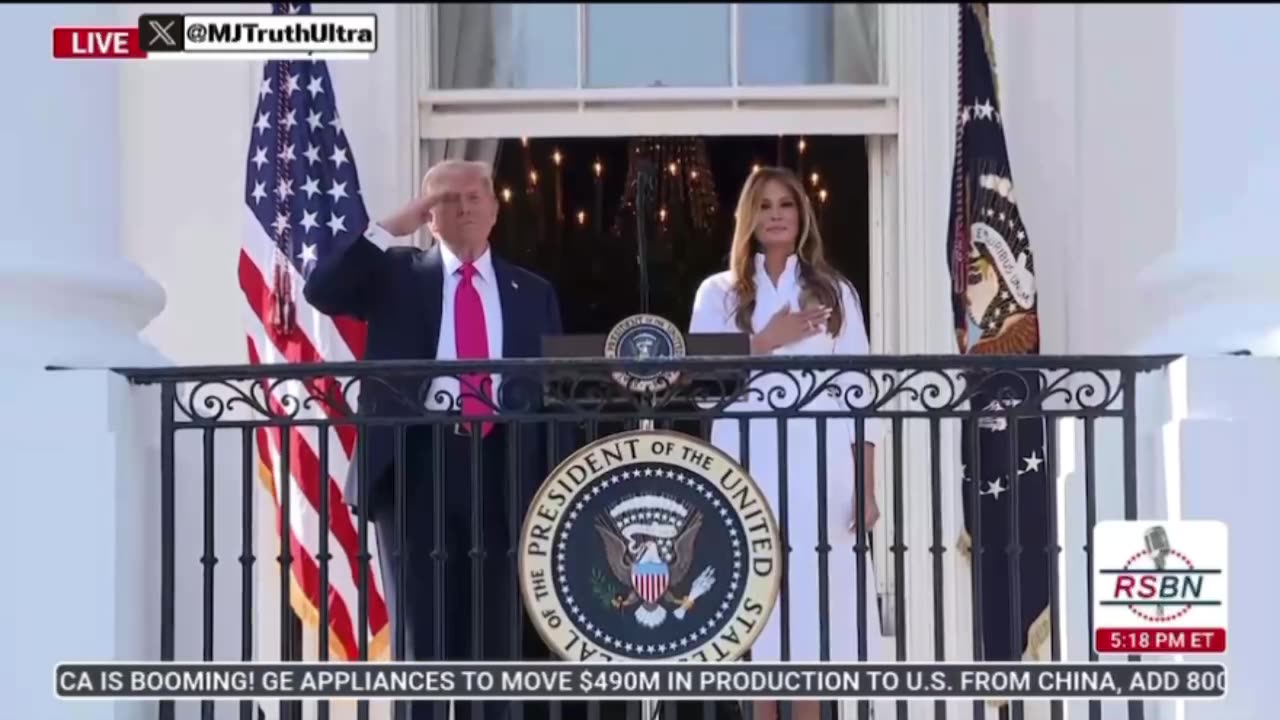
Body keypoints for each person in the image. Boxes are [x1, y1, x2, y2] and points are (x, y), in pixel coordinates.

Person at [303, 159, 568, 720]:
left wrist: (554, 479)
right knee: (421, 636)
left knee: (497, 638)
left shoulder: (533, 291)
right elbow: (324, 291)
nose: (463, 208)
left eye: (474, 197)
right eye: (446, 201)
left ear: (495, 210)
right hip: (415, 464)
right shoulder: (398, 274)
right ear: (429, 216)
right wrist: (388, 228)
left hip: (505, 466)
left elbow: (554, 395)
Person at [688, 166, 886, 720]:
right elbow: (703, 389)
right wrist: (764, 341)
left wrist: (867, 488)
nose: (776, 215)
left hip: (820, 465)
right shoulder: (718, 293)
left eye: (787, 205)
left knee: (815, 598)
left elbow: (858, 394)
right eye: (766, 205)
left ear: (803, 216)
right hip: (746, 462)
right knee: (757, 594)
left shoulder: (834, 292)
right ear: (748, 217)